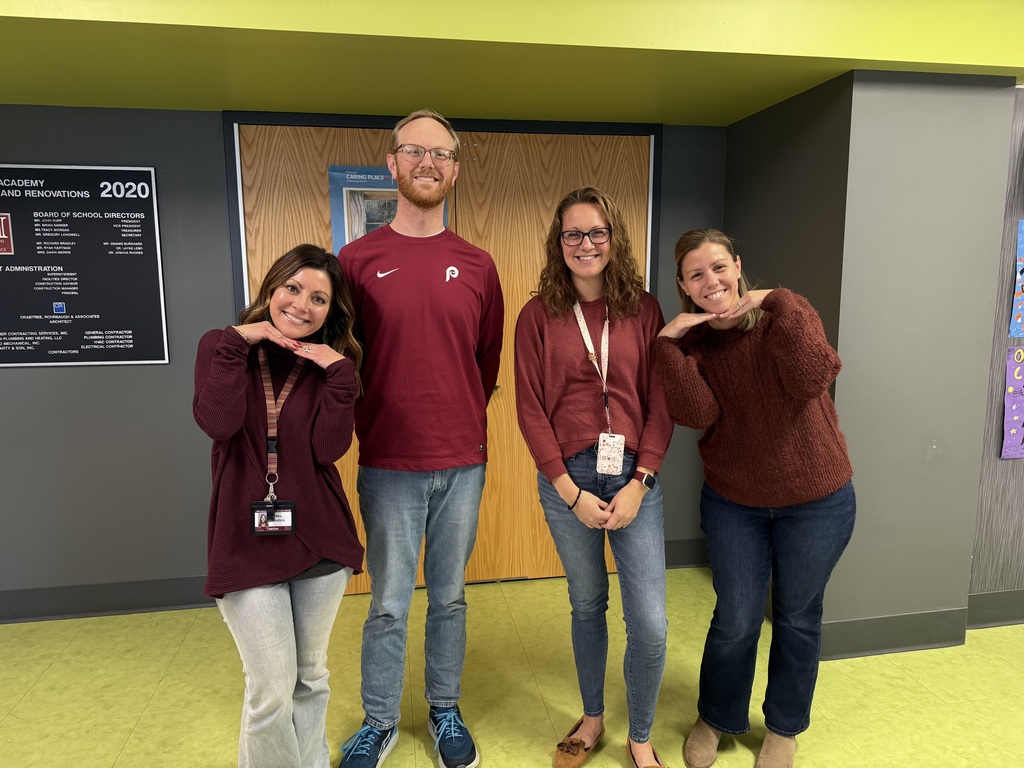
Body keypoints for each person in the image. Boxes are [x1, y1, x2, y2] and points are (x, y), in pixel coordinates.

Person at [337, 109, 504, 768]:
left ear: (454, 170)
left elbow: (484, 364)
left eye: (440, 153)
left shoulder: (479, 265)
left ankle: (444, 709)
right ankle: (378, 721)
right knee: (386, 603)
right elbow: (344, 361)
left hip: (462, 463)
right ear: (393, 164)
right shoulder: (356, 261)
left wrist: (453, 417)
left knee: (450, 597)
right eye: (414, 151)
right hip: (387, 462)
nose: (427, 162)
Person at [654, 228, 856, 768]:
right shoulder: (693, 345)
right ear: (684, 286)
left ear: (738, 266)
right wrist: (667, 346)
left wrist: (782, 301)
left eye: (719, 267)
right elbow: (698, 414)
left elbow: (814, 377)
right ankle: (716, 715)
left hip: (816, 499)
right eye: (696, 275)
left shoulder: (784, 315)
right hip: (734, 502)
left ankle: (784, 727)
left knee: (797, 616)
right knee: (737, 618)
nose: (711, 281)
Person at [515, 187, 673, 768]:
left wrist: (641, 481)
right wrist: (568, 491)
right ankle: (592, 717)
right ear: (558, 243)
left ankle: (641, 736)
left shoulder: (644, 310)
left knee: (649, 622)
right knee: (587, 604)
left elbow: (661, 402)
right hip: (568, 480)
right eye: (573, 234)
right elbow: (530, 410)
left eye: (597, 232)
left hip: (634, 476)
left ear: (614, 239)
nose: (586, 244)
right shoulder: (538, 315)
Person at [192, 244, 365, 768]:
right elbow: (218, 423)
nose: (301, 305)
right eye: (293, 288)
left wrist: (340, 374)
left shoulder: (328, 367)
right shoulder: (222, 347)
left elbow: (327, 451)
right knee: (270, 689)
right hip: (245, 544)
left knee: (310, 677)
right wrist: (237, 343)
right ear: (272, 288)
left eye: (318, 298)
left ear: (330, 312)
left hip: (317, 538)